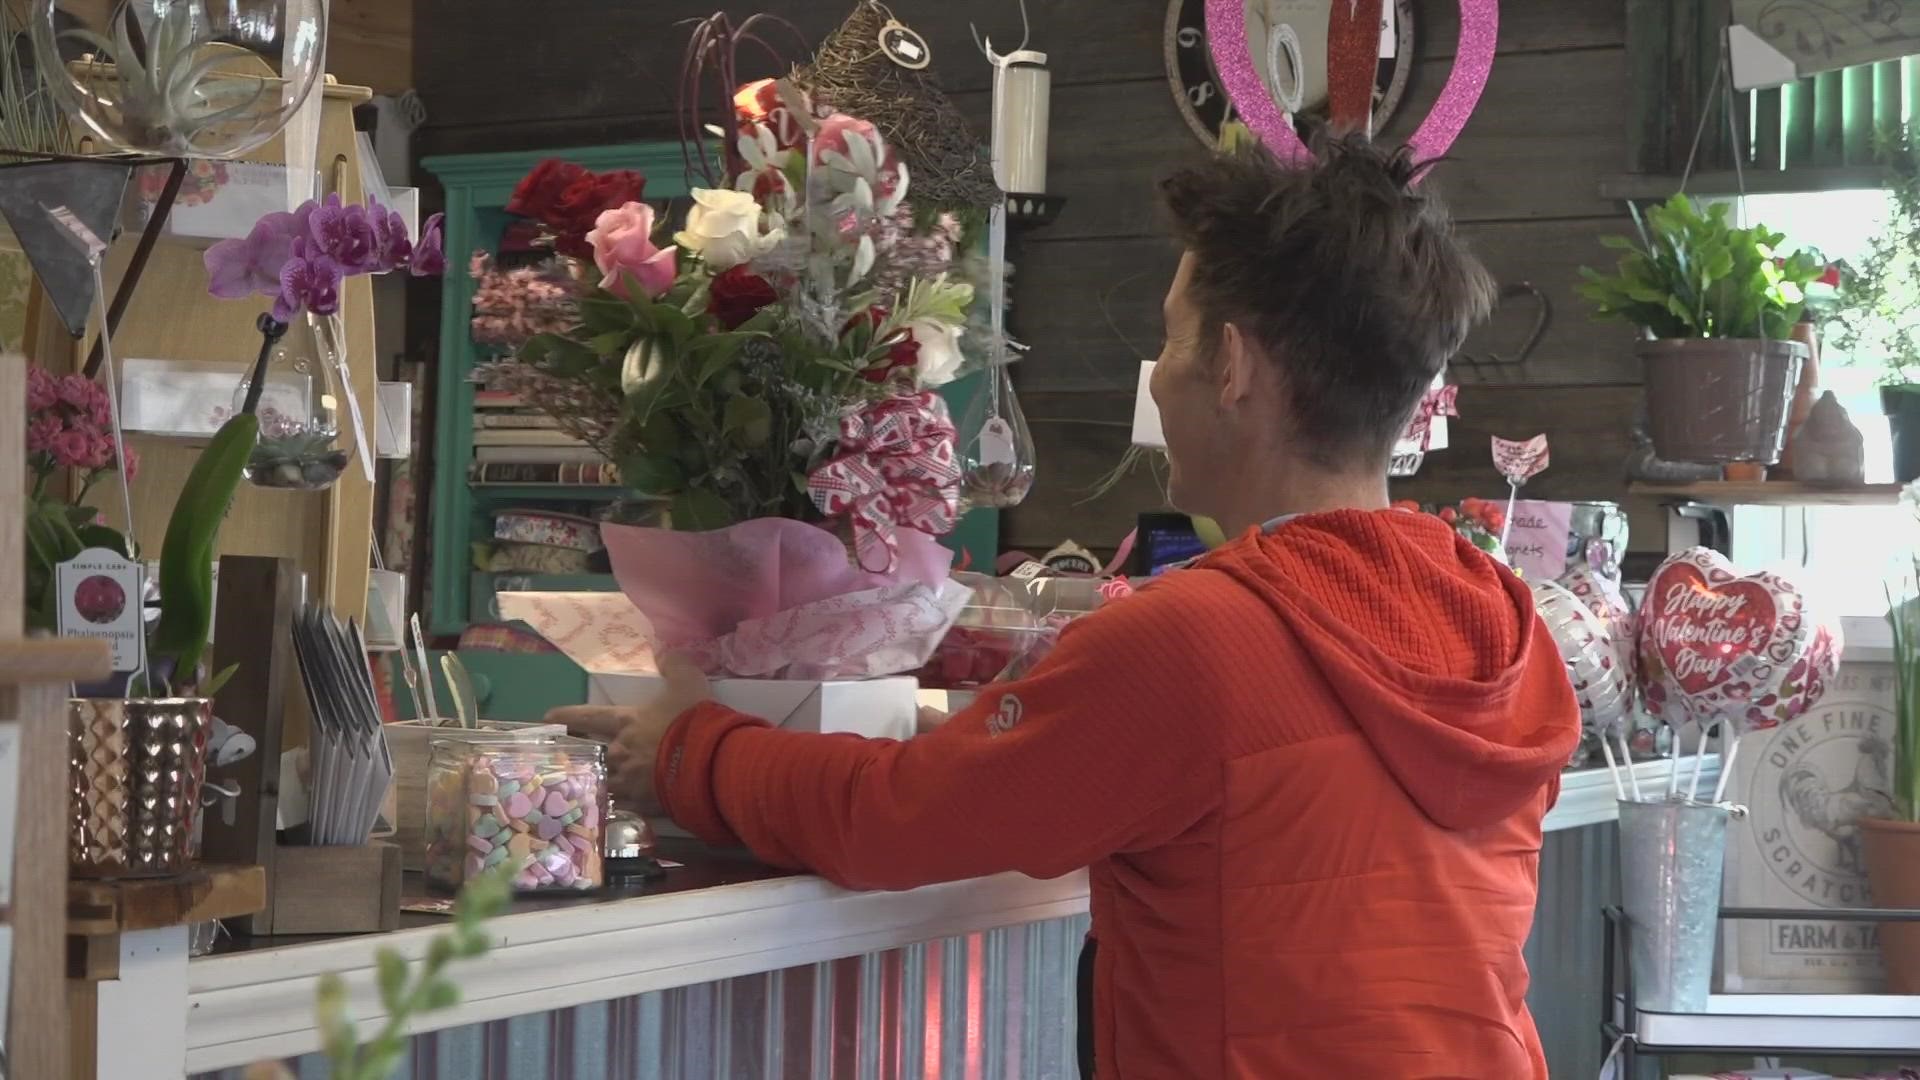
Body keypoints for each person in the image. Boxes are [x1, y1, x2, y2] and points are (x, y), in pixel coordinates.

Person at [554, 132, 1582, 1079]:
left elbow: (896, 818)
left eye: (1172, 341)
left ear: (1231, 369)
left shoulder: (1199, 643)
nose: (1161, 376)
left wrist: (689, 749)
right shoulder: (1508, 622)